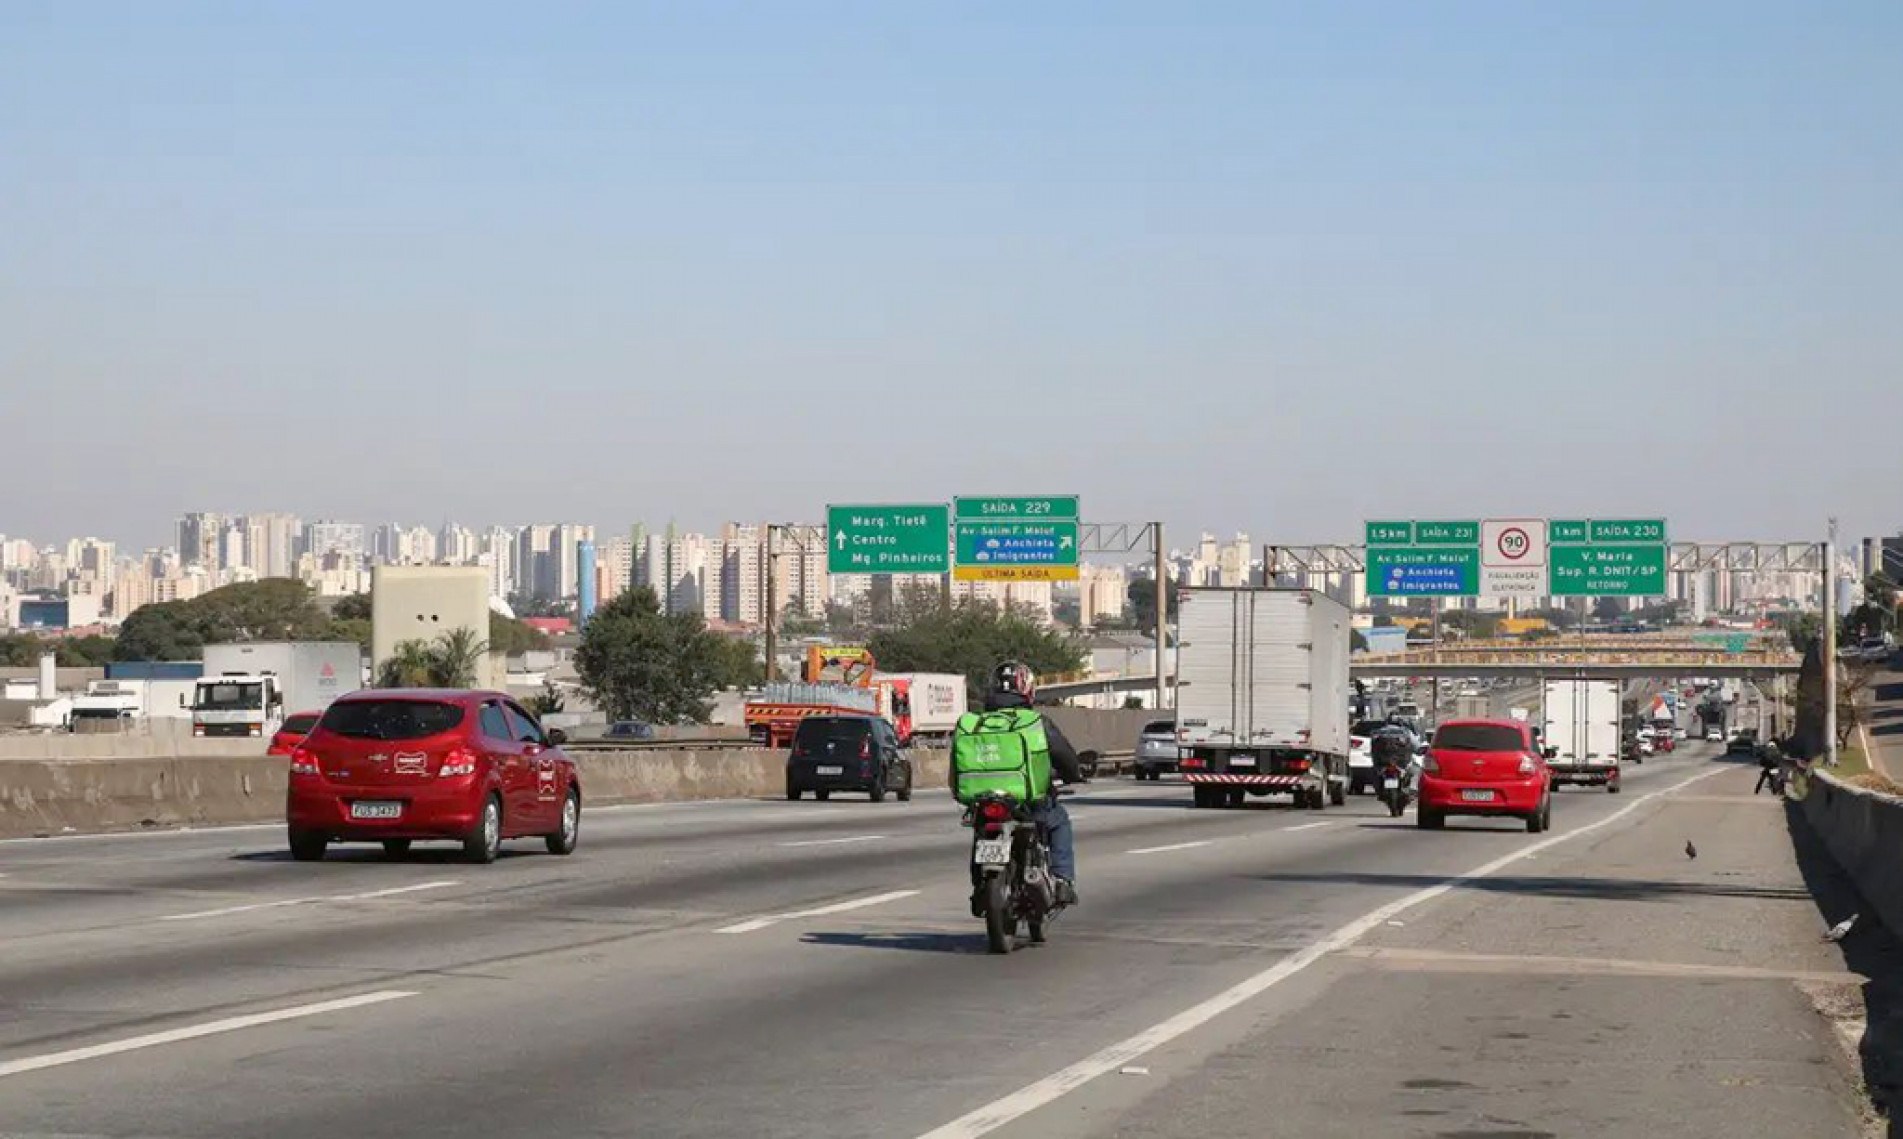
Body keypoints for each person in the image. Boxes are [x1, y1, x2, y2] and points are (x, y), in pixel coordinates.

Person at [983, 660, 1085, 904]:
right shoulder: (1035, 722)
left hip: (985, 797)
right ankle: (1062, 880)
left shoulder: (977, 724)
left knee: (981, 832)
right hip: (1028, 800)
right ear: (1026, 689)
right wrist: (1074, 774)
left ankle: (979, 884)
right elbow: (1063, 755)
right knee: (1058, 821)